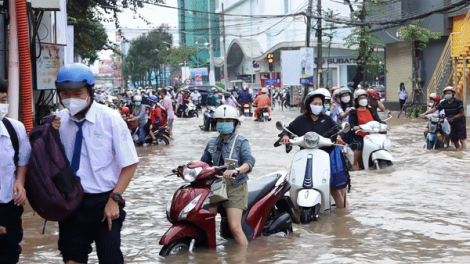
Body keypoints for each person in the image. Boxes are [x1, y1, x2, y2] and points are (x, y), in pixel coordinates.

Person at [51, 63, 139, 264]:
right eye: (65, 94)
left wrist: (114, 199)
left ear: (90, 91)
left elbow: (130, 163)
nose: (71, 99)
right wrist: (48, 132)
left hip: (104, 201)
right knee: (72, 258)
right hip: (71, 202)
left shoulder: (110, 119)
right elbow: (43, 160)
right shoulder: (58, 122)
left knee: (110, 258)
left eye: (77, 93)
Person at [280, 91, 348, 209]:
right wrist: (285, 136)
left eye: (320, 103)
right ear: (308, 105)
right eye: (315, 103)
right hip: (305, 156)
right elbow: (288, 129)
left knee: (335, 189)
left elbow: (337, 130)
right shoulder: (301, 120)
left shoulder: (327, 120)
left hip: (325, 156)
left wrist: (339, 136)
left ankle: (342, 215)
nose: (318, 105)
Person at [201, 105, 255, 246]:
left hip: (235, 187)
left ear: (235, 123)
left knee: (235, 227)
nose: (224, 123)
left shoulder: (241, 141)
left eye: (228, 120)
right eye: (220, 121)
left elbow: (249, 162)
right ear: (215, 123)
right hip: (215, 186)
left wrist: (236, 171)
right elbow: (203, 164)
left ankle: (244, 258)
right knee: (204, 222)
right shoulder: (212, 142)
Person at [0, 77, 31, 264]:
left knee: (9, 254)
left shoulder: (15, 128)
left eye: (3, 100)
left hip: (9, 206)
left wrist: (20, 182)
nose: (1, 105)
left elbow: (23, 159)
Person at [349, 89, 386, 171]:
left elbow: (378, 120)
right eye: (361, 98)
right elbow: (352, 124)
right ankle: (355, 165)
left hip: (373, 134)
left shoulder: (371, 110)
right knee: (359, 145)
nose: (363, 100)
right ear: (357, 100)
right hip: (360, 135)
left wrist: (385, 125)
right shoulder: (354, 112)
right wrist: (355, 127)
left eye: (365, 98)